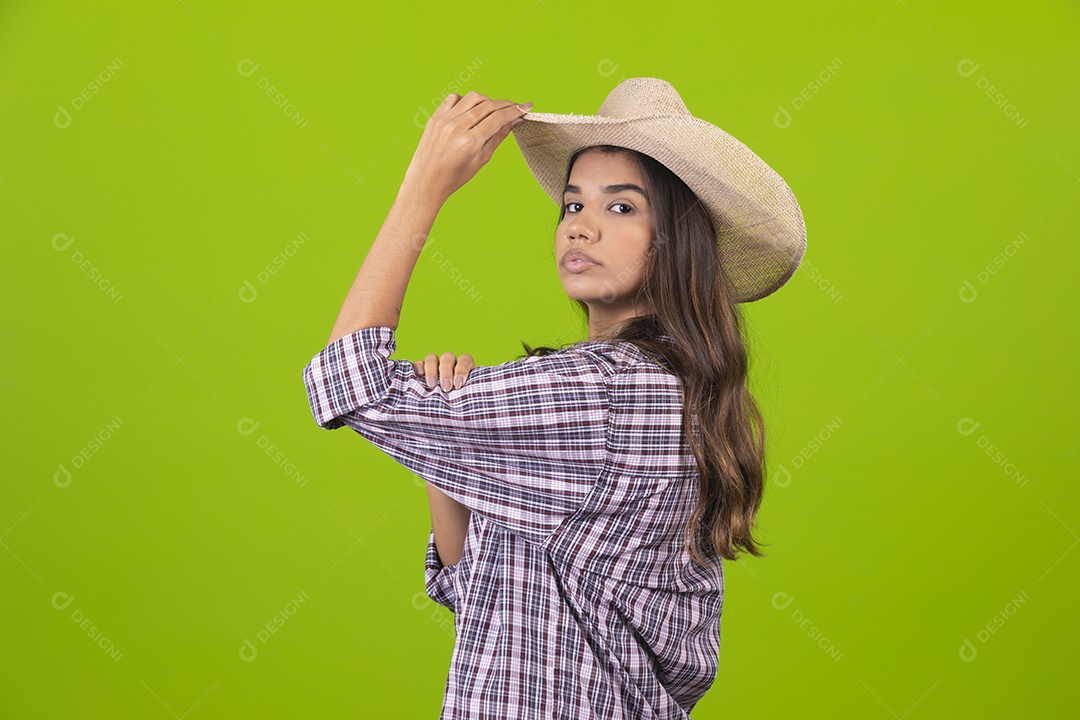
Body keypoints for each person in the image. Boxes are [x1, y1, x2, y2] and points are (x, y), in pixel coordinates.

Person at [302, 77, 806, 719]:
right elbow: (478, 590)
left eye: (621, 208)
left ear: (675, 241)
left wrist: (424, 186)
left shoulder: (610, 391)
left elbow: (346, 381)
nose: (582, 228)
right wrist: (451, 452)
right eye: (573, 206)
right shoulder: (658, 387)